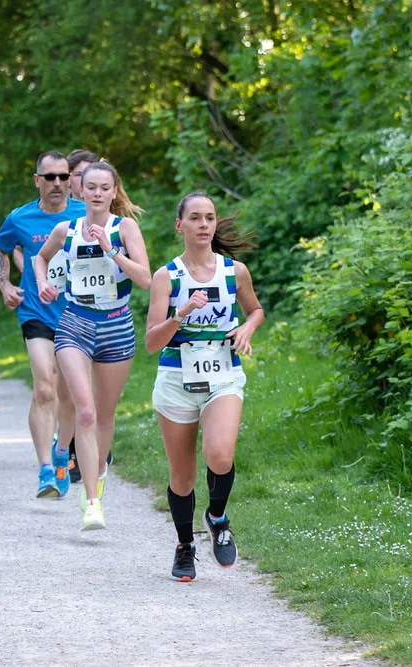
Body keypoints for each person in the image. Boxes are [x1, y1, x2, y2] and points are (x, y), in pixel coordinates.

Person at [144, 192, 264, 581]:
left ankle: (216, 517)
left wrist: (247, 327)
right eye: (195, 218)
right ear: (180, 225)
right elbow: (151, 342)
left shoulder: (234, 272)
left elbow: (256, 310)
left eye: (209, 217)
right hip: (176, 377)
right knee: (182, 476)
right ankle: (184, 545)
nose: (204, 224)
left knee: (220, 455)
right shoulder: (167, 276)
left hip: (223, 374)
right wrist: (180, 314)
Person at [35, 160, 151, 530]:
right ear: (79, 190)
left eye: (105, 187)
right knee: (84, 411)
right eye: (92, 187)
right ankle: (92, 502)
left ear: (114, 192)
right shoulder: (65, 230)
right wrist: (42, 283)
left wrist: (112, 250)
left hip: (116, 326)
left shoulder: (125, 227)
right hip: (75, 323)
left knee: (103, 414)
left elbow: (146, 279)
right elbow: (41, 258)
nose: (98, 193)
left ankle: (96, 479)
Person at [0, 151, 85, 499]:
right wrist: (5, 285)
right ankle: (46, 468)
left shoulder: (85, 215)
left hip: (79, 314)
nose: (58, 183)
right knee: (45, 386)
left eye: (63, 176)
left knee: (71, 393)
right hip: (36, 313)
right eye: (50, 177)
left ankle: (63, 451)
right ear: (37, 180)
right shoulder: (20, 218)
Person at [65, 148, 101, 483]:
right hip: (64, 315)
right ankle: (70, 450)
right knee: (63, 389)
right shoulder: (65, 220)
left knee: (92, 396)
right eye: (82, 176)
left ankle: (88, 447)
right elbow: (35, 253)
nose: (91, 186)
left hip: (105, 319)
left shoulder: (109, 216)